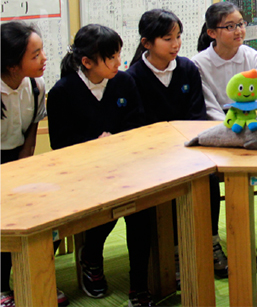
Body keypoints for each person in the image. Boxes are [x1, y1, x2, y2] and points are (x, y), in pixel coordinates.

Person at [47, 24, 151, 307]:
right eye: (111, 58)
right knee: (101, 207)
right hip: (81, 174)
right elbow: (60, 142)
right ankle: (91, 255)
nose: (120, 63)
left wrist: (115, 143)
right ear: (87, 62)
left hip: (124, 167)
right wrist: (95, 145)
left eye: (118, 55)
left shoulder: (124, 82)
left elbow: (136, 123)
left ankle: (139, 287)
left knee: (142, 210)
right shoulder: (62, 91)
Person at [192, 1, 257, 271]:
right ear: (212, 33)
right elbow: (210, 109)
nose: (239, 31)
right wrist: (234, 135)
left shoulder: (252, 57)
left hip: (255, 133)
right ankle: (213, 242)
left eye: (241, 24)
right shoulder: (198, 64)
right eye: (230, 26)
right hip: (222, 138)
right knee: (209, 176)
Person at [126, 9, 208, 285]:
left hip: (186, 151)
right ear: (146, 43)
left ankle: (192, 254)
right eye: (167, 38)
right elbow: (137, 125)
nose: (176, 44)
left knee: (204, 187)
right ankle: (149, 271)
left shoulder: (187, 68)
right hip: (150, 160)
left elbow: (197, 115)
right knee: (146, 211)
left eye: (178, 37)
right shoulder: (133, 77)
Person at [0, 22, 69, 307]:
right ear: (13, 65)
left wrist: (25, 159)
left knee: (51, 217)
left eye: (42, 51)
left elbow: (32, 127)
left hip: (19, 159)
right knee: (7, 224)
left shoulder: (35, 84)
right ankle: (3, 287)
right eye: (35, 54)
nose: (44, 59)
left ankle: (36, 277)